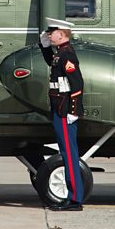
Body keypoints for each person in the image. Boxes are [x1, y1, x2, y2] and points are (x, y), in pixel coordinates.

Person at [39, 17, 85, 211]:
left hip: (65, 111)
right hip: (59, 109)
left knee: (69, 155)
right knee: (66, 154)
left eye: (52, 33)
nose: (50, 35)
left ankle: (74, 198)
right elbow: (52, 61)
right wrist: (44, 47)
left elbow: (77, 84)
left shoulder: (68, 56)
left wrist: (74, 110)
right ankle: (72, 196)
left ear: (62, 34)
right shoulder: (60, 54)